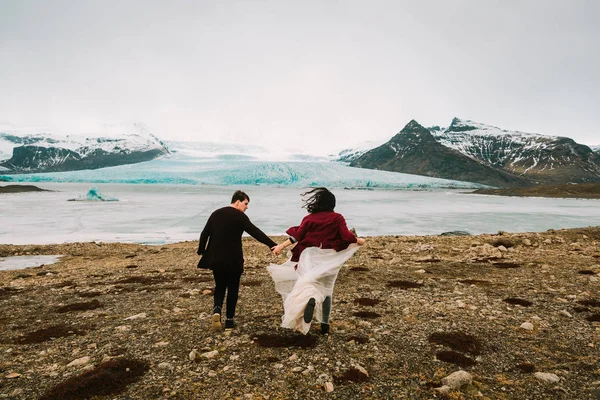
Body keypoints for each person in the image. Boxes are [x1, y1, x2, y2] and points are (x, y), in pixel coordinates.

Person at [269, 187, 365, 334]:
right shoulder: (337, 218)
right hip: (329, 258)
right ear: (332, 204)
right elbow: (346, 236)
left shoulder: (308, 219)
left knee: (308, 283)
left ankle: (311, 299)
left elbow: (297, 236)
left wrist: (281, 246)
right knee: (327, 290)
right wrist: (357, 240)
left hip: (309, 257)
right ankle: (324, 325)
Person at [197, 190, 277, 331]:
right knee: (233, 288)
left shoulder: (216, 213)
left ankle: (216, 312)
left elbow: (205, 233)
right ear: (238, 201)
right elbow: (255, 232)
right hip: (233, 259)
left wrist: (201, 250)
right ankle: (229, 320)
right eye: (245, 204)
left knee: (220, 286)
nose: (246, 207)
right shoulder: (240, 217)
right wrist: (272, 245)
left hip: (217, 259)